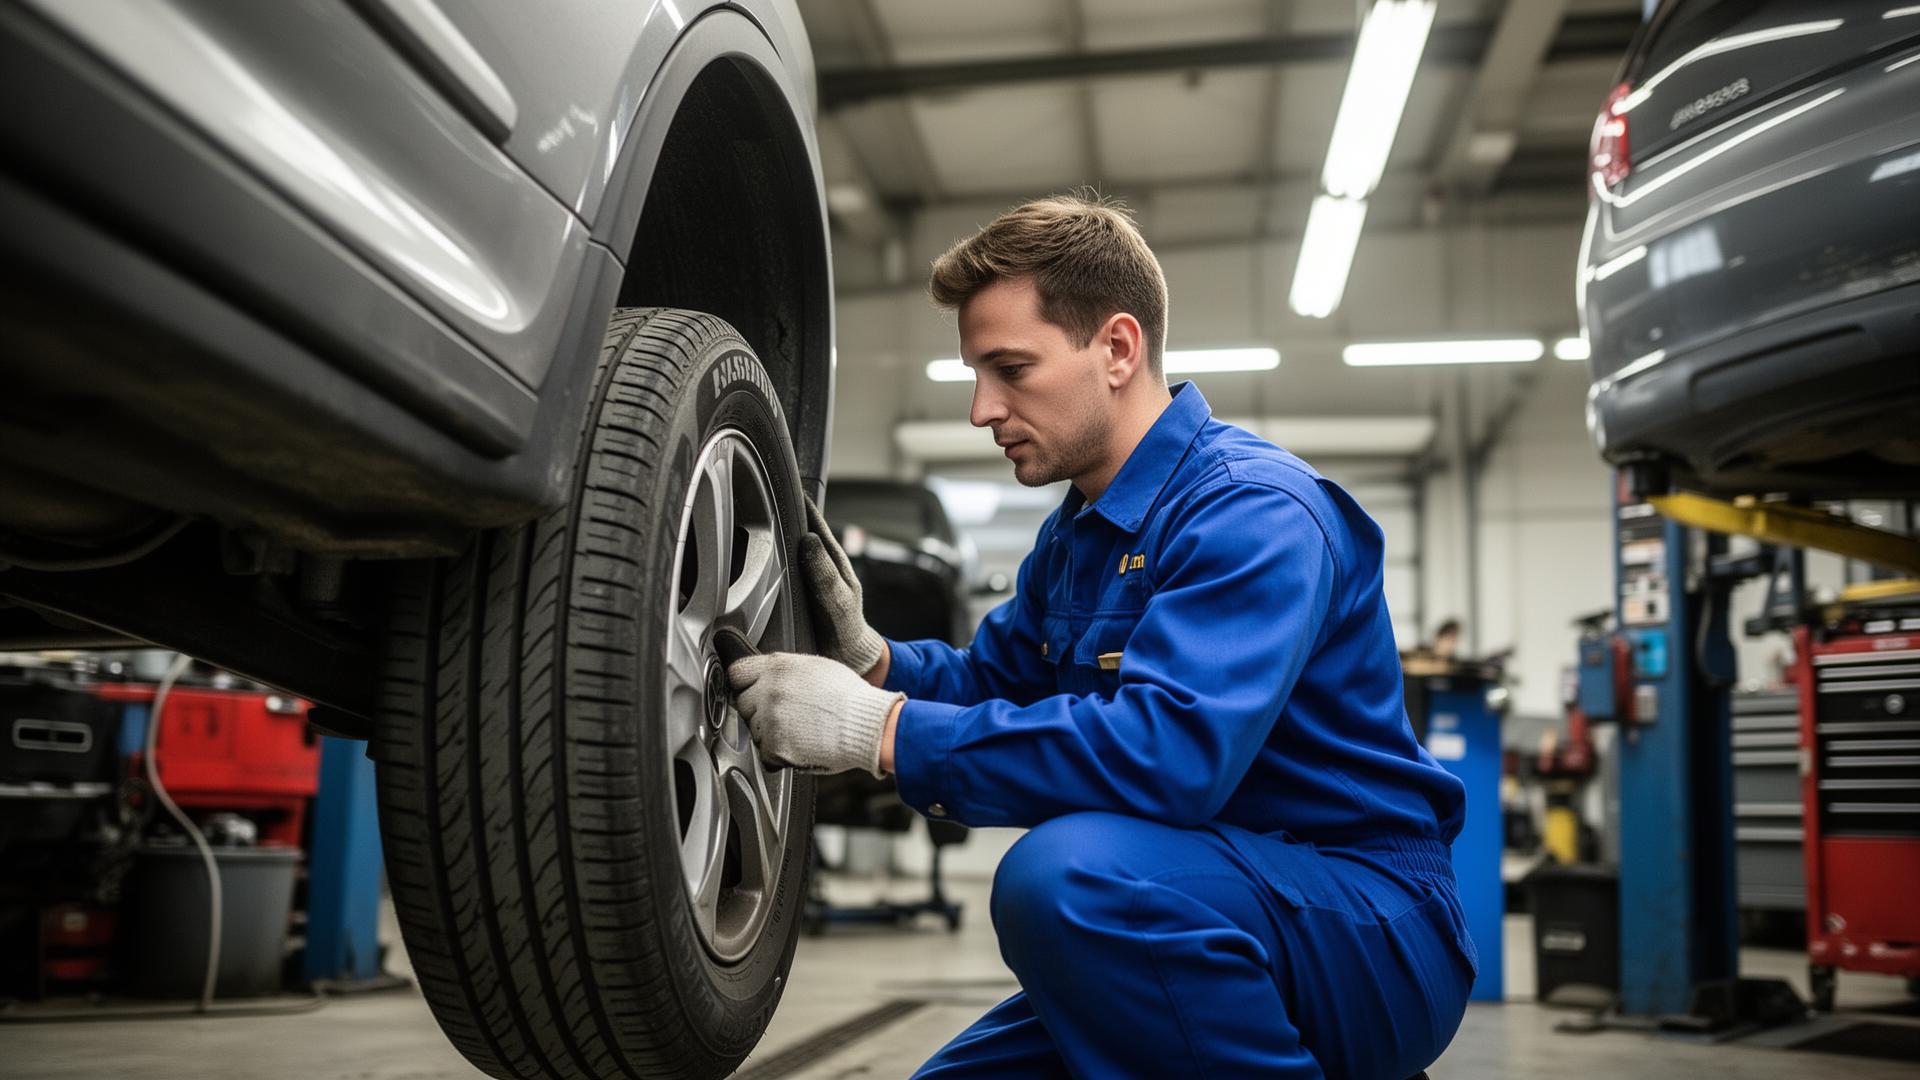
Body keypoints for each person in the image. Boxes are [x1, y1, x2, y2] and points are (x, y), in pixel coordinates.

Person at [728, 194, 1473, 1079]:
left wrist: (875, 730)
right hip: (1194, 904)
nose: (980, 408)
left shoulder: (1252, 512)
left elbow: (1172, 755)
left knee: (1064, 879)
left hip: (1364, 922)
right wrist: (873, 662)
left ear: (1117, 348)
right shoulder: (1079, 534)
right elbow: (995, 679)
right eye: (976, 373)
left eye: (1009, 368)